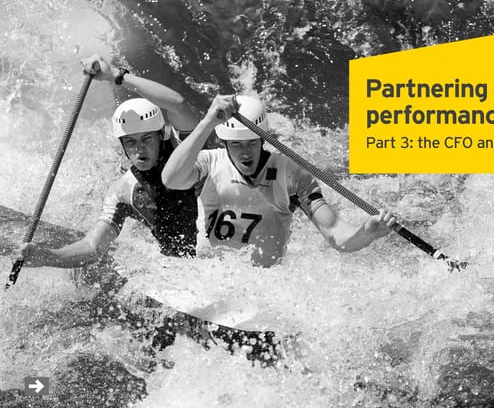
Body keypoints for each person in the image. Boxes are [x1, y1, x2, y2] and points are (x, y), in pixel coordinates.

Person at [162, 95, 397, 267]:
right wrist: (207, 122)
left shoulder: (291, 174)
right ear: (224, 142)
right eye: (236, 144)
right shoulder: (209, 163)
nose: (245, 153)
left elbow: (336, 233)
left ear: (262, 139)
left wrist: (367, 233)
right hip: (208, 277)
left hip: (264, 284)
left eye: (251, 143)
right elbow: (170, 179)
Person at [15, 54, 199, 268]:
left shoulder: (185, 148)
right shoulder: (123, 191)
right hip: (184, 269)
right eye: (130, 142)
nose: (139, 149)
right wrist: (48, 257)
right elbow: (92, 248)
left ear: (161, 134)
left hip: (218, 246)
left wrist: (115, 75)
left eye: (147, 139)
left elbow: (178, 104)